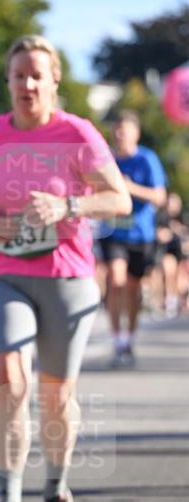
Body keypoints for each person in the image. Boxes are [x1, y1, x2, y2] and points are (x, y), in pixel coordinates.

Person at [0, 35, 131, 502]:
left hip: (67, 276)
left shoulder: (77, 133)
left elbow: (118, 198)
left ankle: (56, 490)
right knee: (10, 381)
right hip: (4, 272)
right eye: (19, 75)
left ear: (54, 80)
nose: (28, 84)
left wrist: (69, 208)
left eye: (37, 75)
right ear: (8, 81)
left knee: (57, 397)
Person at [98, 111, 167, 365]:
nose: (119, 135)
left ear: (135, 134)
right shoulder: (106, 161)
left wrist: (130, 188)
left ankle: (130, 338)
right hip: (113, 232)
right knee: (116, 281)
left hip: (141, 235)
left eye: (124, 131)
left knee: (133, 289)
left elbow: (160, 197)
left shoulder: (147, 159)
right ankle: (117, 342)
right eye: (116, 131)